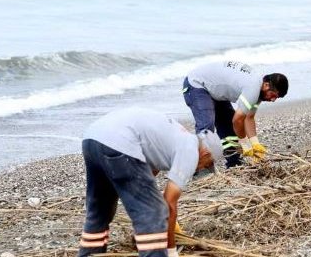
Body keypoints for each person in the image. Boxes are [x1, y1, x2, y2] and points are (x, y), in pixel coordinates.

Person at [78, 108, 224, 257]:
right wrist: (171, 250)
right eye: (207, 164)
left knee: (100, 212)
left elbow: (147, 176)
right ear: (205, 153)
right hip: (120, 142)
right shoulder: (190, 150)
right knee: (153, 213)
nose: (202, 167)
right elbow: (168, 205)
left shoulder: (175, 136)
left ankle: (89, 254)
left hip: (93, 139)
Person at [182, 61, 288, 168]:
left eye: (276, 98)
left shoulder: (260, 90)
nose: (273, 100)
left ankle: (234, 163)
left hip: (215, 91)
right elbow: (238, 120)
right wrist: (245, 143)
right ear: (266, 85)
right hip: (196, 84)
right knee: (206, 126)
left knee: (228, 125)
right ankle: (201, 168)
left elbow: (249, 118)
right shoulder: (253, 87)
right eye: (273, 95)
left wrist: (255, 144)